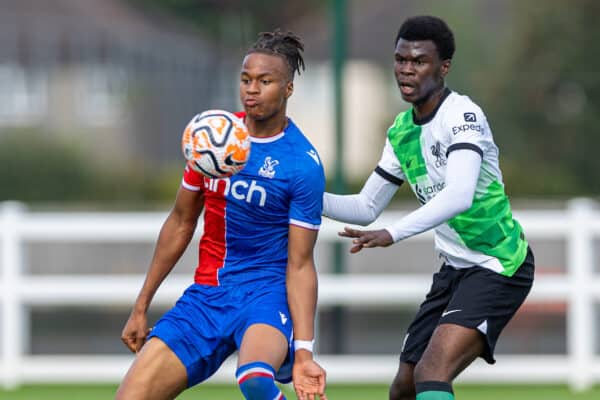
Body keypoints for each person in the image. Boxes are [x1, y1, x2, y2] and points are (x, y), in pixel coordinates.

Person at [322, 16, 534, 400]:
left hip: (498, 265)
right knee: (403, 387)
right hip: (454, 271)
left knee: (432, 372)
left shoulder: (463, 116)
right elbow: (366, 205)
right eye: (400, 60)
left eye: (418, 61)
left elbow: (459, 196)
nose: (406, 69)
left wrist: (393, 233)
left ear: (444, 67)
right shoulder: (401, 131)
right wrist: (301, 198)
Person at [116, 30, 328, 400]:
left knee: (255, 381)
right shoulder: (211, 138)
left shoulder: (301, 165)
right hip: (208, 295)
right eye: (246, 79)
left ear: (288, 89)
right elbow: (182, 221)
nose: (252, 90)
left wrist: (305, 353)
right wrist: (141, 304)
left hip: (266, 294)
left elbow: (300, 264)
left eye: (265, 81)